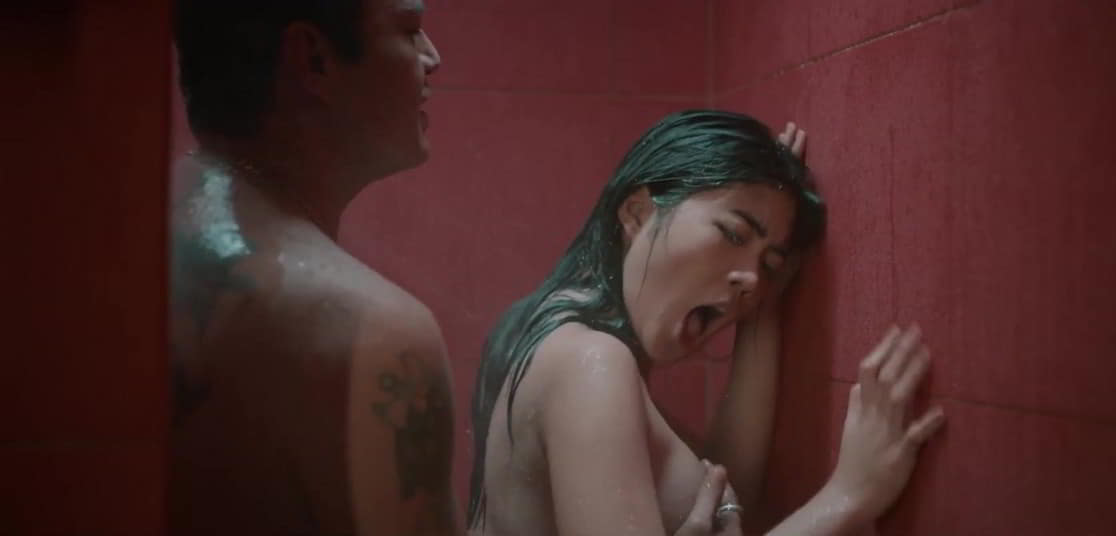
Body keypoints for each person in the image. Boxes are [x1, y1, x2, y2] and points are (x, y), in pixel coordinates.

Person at [466, 110, 946, 535]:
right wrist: (849, 496)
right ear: (637, 213)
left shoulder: (538, 324)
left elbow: (720, 489)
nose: (751, 280)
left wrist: (763, 309)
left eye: (768, 264)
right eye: (733, 234)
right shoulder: (590, 363)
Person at [168, 1, 460, 533]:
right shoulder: (374, 335)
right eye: (410, 30)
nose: (432, 57)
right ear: (314, 59)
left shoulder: (121, 248)